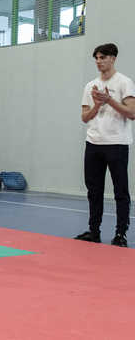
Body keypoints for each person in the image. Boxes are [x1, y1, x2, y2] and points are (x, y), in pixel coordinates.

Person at [76, 43, 135, 247]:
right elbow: (85, 117)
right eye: (97, 58)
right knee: (94, 191)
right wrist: (98, 105)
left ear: (113, 58)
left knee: (120, 191)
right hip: (93, 143)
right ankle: (94, 231)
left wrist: (109, 100)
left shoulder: (124, 83)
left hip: (117, 144)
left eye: (103, 57)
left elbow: (132, 113)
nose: (99, 61)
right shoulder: (90, 86)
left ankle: (121, 234)